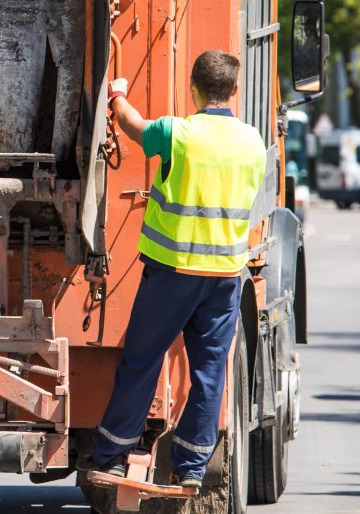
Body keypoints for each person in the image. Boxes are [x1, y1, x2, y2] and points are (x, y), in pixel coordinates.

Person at [89, 50, 267, 489]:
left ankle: (112, 455)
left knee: (142, 361)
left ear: (193, 88)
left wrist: (116, 95)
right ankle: (190, 468)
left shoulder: (178, 133)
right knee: (209, 373)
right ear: (235, 91)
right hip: (225, 276)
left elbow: (132, 125)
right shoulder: (253, 142)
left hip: (173, 272)